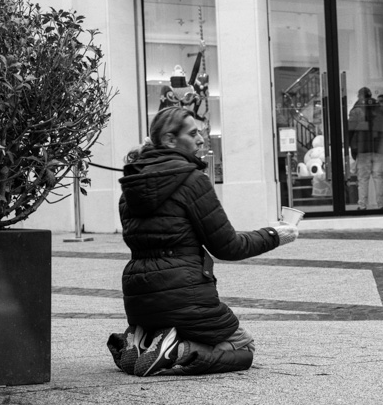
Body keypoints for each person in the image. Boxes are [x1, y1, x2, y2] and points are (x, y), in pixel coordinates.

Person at [106, 106, 298, 378]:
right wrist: (275, 235)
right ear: (171, 140)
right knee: (244, 345)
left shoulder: (131, 185)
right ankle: (176, 350)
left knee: (181, 328)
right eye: (193, 133)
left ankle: (142, 341)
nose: (201, 139)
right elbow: (227, 246)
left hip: (138, 301)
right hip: (184, 296)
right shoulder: (191, 179)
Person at [347, 86, 383, 211]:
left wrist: (351, 147)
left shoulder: (356, 111)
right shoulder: (380, 111)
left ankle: (362, 205)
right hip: (378, 150)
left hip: (362, 149)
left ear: (359, 96)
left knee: (363, 179)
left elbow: (350, 131)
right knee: (378, 178)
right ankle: (380, 205)